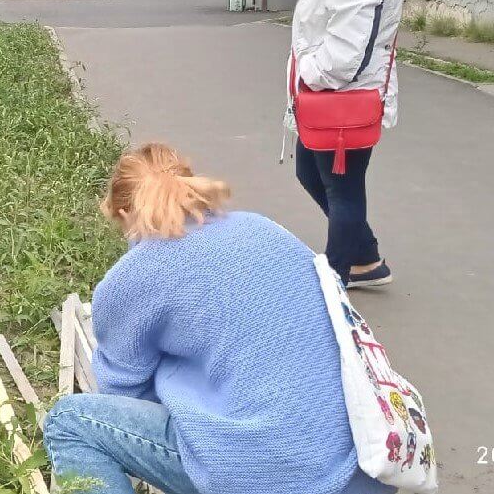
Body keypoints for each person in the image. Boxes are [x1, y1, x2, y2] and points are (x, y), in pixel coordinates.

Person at [43, 143, 392, 494]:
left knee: (69, 422)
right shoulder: (262, 227)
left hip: (280, 476)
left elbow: (124, 392)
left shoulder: (134, 275)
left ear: (122, 212)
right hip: (370, 461)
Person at [290, 0, 410, 289]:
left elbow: (354, 39)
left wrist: (312, 73)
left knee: (343, 190)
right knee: (310, 171)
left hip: (344, 91)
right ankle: (366, 259)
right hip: (334, 88)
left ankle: (336, 281)